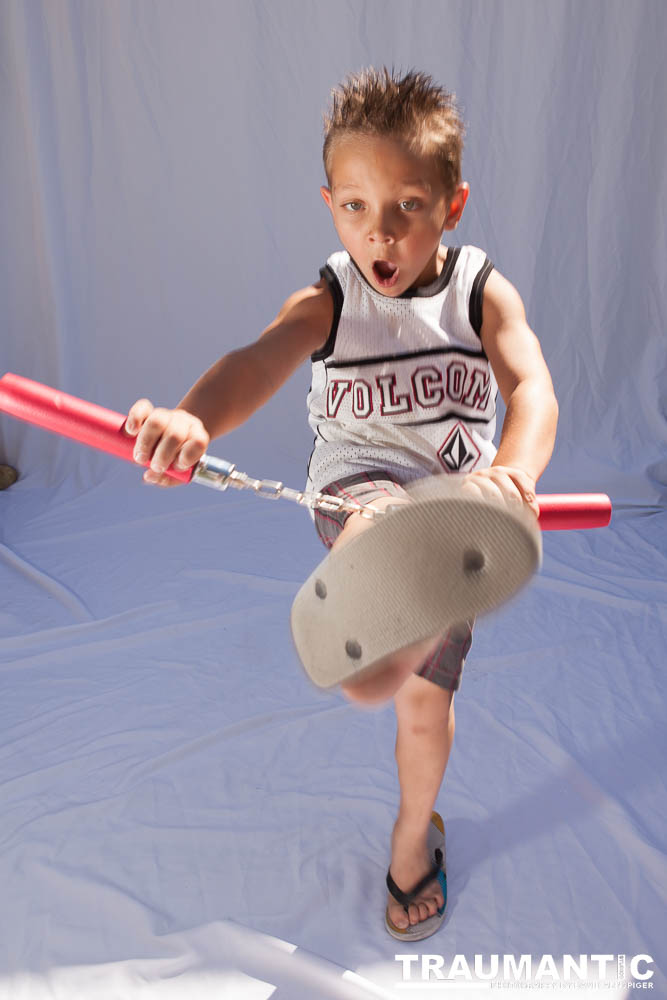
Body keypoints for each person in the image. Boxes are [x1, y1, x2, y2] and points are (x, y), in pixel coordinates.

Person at [123, 67, 558, 940]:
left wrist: (512, 472)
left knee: (426, 710)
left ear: (452, 204)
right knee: (380, 523)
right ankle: (394, 597)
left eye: (406, 204)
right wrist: (191, 417)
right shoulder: (329, 296)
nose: (381, 231)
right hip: (355, 495)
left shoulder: (480, 290)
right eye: (355, 207)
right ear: (330, 207)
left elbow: (532, 388)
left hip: (453, 511)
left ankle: (410, 833)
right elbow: (258, 359)